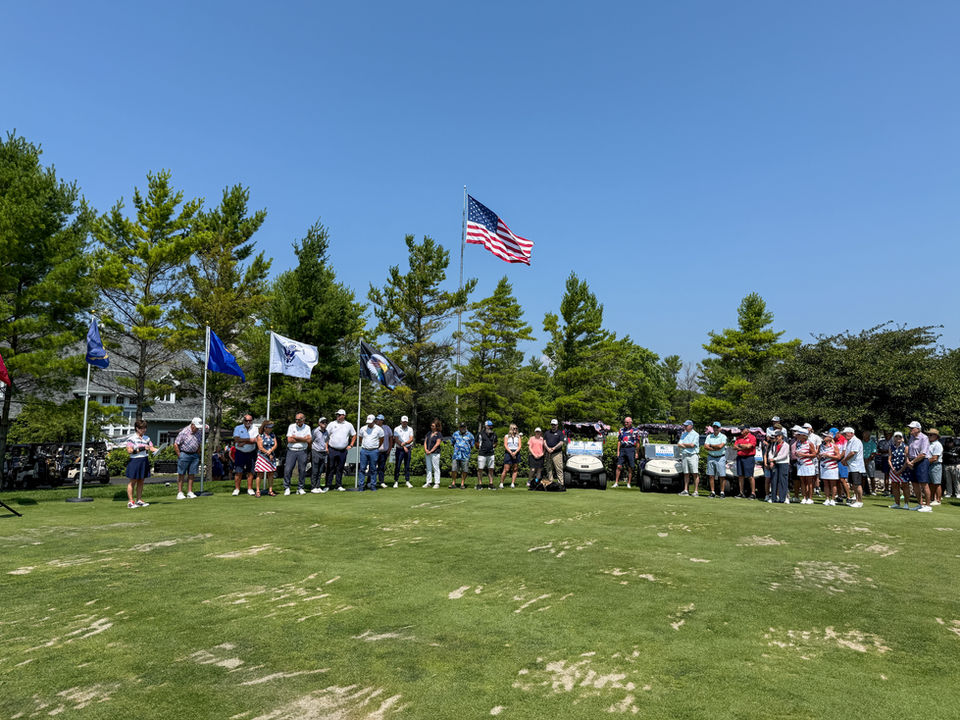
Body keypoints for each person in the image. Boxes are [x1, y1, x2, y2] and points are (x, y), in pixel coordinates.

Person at [125, 419, 155, 508]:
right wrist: (141, 448)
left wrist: (158, 450)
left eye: (145, 428)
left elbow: (151, 447)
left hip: (144, 460)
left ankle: (139, 500)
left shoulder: (147, 438)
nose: (144, 430)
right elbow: (129, 451)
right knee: (133, 481)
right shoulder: (131, 439)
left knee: (141, 481)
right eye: (142, 428)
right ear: (137, 428)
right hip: (135, 461)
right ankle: (130, 502)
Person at [325, 409, 356, 492]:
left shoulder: (349, 425)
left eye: (339, 415)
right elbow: (326, 436)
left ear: (344, 415)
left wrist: (351, 445)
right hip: (332, 449)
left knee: (340, 468)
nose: (338, 416)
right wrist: (326, 447)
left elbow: (354, 435)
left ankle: (338, 485)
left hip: (343, 450)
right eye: (337, 415)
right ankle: (328, 485)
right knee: (330, 467)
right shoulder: (332, 424)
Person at [905, 421, 932, 512]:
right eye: (910, 428)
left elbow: (923, 454)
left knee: (924, 483)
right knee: (914, 483)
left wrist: (912, 462)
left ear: (918, 429)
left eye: (912, 428)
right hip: (912, 461)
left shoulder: (924, 438)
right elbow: (909, 450)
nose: (910, 430)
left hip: (922, 461)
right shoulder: (911, 437)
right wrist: (908, 460)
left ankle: (928, 505)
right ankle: (920, 504)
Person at [173, 417, 203, 500]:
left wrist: (198, 453)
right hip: (184, 454)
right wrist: (179, 455)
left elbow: (199, 443)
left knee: (192, 474)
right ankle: (180, 492)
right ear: (192, 425)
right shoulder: (184, 432)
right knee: (181, 473)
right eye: (196, 427)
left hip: (194, 455)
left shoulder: (199, 432)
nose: (197, 429)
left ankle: (190, 491)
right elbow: (176, 444)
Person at [283, 412, 311, 495]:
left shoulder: (307, 427)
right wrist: (303, 439)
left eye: (299, 419)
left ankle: (300, 488)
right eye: (296, 419)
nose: (297, 421)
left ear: (303, 419)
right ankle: (287, 487)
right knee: (288, 469)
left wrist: (295, 437)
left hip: (303, 450)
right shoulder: (291, 426)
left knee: (302, 470)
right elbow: (289, 440)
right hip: (291, 450)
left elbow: (309, 440)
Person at [232, 414, 258, 496]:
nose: (248, 422)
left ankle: (250, 489)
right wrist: (249, 440)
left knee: (250, 471)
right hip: (240, 452)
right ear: (243, 421)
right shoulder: (238, 428)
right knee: (238, 471)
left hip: (251, 452)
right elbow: (236, 439)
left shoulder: (255, 428)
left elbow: (255, 440)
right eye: (246, 420)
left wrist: (243, 441)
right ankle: (237, 489)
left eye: (250, 420)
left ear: (252, 421)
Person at [357, 414, 384, 491]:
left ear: (374, 421)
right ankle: (361, 486)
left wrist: (376, 447)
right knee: (362, 468)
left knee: (373, 469)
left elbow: (382, 439)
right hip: (364, 450)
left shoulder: (379, 429)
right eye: (368, 422)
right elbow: (360, 438)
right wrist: (365, 444)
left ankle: (373, 485)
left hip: (374, 451)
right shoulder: (363, 428)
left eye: (370, 422)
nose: (369, 424)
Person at [840, 426, 866, 508]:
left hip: (856, 466)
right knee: (853, 484)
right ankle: (856, 500)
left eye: (845, 433)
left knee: (857, 484)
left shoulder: (856, 441)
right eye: (843, 434)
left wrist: (844, 460)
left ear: (851, 433)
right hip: (851, 466)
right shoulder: (849, 441)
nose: (844, 435)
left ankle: (860, 501)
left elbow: (852, 452)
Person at [613, 416, 640, 488]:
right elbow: (619, 441)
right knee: (619, 466)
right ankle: (616, 482)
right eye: (625, 422)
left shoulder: (635, 430)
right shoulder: (621, 430)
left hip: (631, 449)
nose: (626, 423)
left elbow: (637, 443)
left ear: (631, 422)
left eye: (627, 422)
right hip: (623, 449)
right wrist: (618, 451)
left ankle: (629, 483)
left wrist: (637, 453)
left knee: (630, 467)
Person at [794, 427, 817, 504]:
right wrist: (797, 454)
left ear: (804, 435)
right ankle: (804, 497)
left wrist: (803, 454)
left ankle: (810, 498)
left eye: (799, 435)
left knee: (809, 482)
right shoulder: (798, 443)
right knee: (802, 482)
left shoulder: (809, 443)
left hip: (808, 465)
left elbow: (814, 454)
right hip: (800, 465)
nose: (797, 436)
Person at [254, 420, 278, 496]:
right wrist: (268, 453)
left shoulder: (273, 435)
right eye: (269, 427)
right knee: (260, 474)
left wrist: (271, 451)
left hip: (271, 456)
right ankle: (257, 491)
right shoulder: (260, 436)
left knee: (271, 473)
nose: (271, 429)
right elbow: (260, 447)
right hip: (262, 457)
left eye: (271, 428)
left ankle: (270, 490)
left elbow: (275, 445)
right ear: (265, 428)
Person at [703, 422, 727, 498]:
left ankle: (722, 492)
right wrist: (714, 448)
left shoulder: (723, 436)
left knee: (722, 476)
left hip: (720, 458)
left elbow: (720, 446)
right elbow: (705, 447)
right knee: (711, 475)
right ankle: (712, 492)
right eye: (714, 427)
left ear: (720, 428)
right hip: (711, 457)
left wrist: (711, 446)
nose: (715, 429)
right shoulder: (709, 436)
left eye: (717, 427)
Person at [677, 420, 700, 497]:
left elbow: (692, 445)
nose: (685, 427)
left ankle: (696, 491)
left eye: (686, 425)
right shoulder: (684, 434)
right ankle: (686, 490)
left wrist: (684, 445)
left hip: (693, 455)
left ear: (691, 426)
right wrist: (686, 445)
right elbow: (679, 444)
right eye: (684, 425)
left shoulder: (696, 434)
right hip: (685, 455)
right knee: (686, 473)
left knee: (695, 473)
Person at [767, 430, 791, 503]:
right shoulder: (774, 444)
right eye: (775, 436)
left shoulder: (786, 445)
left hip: (783, 463)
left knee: (783, 481)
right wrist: (771, 461)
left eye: (777, 436)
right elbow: (770, 452)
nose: (776, 438)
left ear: (781, 436)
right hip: (775, 463)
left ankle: (783, 498)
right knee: (774, 480)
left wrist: (773, 459)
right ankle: (773, 498)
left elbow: (784, 455)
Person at [888, 431, 910, 509]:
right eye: (896, 436)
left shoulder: (905, 447)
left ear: (902, 438)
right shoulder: (891, 447)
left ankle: (906, 504)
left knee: (905, 485)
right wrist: (893, 469)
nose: (898, 438)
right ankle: (897, 503)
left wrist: (900, 470)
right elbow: (889, 459)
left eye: (899, 437)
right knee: (895, 485)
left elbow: (906, 460)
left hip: (903, 469)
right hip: (894, 469)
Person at [818, 433, 841, 506]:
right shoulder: (821, 446)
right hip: (824, 467)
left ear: (830, 438)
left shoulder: (834, 446)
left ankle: (833, 499)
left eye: (825, 436)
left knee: (833, 484)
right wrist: (820, 456)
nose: (823, 437)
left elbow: (838, 457)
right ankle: (827, 498)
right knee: (825, 483)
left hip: (832, 467)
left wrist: (829, 456)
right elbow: (818, 455)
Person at [734, 427, 757, 499]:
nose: (741, 431)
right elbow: (734, 447)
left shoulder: (752, 437)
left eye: (742, 429)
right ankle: (741, 493)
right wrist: (744, 446)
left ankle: (753, 493)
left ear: (747, 430)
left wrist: (740, 446)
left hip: (748, 458)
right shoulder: (739, 437)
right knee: (740, 476)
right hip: (740, 457)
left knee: (750, 476)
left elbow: (749, 446)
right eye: (741, 429)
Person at [450, 421, 475, 488]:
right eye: (461, 427)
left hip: (465, 455)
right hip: (456, 454)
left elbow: (472, 445)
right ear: (459, 427)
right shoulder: (455, 434)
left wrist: (466, 450)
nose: (462, 428)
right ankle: (453, 483)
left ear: (466, 427)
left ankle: (462, 483)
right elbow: (452, 443)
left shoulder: (470, 435)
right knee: (454, 469)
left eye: (464, 427)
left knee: (465, 470)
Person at [392, 415, 414, 487]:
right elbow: (396, 439)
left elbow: (411, 439)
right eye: (403, 421)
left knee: (407, 466)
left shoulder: (410, 429)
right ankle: (396, 481)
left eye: (406, 422)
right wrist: (404, 446)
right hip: (399, 449)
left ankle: (407, 481)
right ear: (401, 421)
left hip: (408, 449)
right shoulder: (397, 429)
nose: (404, 423)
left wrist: (406, 444)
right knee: (397, 465)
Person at [309, 417, 329, 494]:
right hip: (316, 451)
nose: (324, 424)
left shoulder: (326, 432)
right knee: (315, 470)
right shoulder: (315, 431)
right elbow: (310, 441)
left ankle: (318, 486)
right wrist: (312, 450)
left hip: (323, 452)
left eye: (326, 422)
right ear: (319, 423)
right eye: (323, 422)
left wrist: (326, 449)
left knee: (320, 470)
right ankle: (313, 487)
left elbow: (326, 441)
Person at [476, 421, 498, 490]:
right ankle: (480, 484)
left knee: (491, 469)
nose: (490, 427)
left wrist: (492, 446)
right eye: (489, 426)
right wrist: (480, 448)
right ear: (485, 426)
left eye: (491, 426)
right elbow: (476, 443)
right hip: (482, 454)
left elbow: (496, 442)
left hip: (491, 454)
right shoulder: (480, 434)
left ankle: (490, 484)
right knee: (480, 469)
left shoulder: (494, 434)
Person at [543, 420, 565, 485]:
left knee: (559, 469)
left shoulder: (560, 433)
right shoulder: (547, 433)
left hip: (557, 453)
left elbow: (561, 443)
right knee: (549, 469)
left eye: (554, 425)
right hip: (548, 453)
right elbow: (544, 442)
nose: (553, 426)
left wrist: (554, 448)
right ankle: (550, 483)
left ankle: (561, 484)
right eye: (552, 425)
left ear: (557, 425)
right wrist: (548, 448)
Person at [501, 424, 523, 488]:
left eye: (516, 428)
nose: (515, 430)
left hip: (516, 452)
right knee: (506, 469)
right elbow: (505, 445)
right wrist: (511, 453)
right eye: (514, 428)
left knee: (515, 469)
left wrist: (515, 452)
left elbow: (519, 446)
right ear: (511, 429)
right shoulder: (507, 436)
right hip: (508, 452)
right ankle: (501, 483)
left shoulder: (518, 436)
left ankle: (512, 483)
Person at [423, 419, 443, 488]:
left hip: (435, 453)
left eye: (433, 426)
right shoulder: (429, 433)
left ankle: (437, 483)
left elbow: (437, 444)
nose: (432, 427)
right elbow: (425, 442)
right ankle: (428, 482)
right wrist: (426, 450)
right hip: (427, 453)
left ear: (436, 426)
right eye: (431, 426)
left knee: (436, 467)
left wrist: (431, 451)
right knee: (428, 467)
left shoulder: (439, 434)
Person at [927, 428, 944, 506]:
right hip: (930, 465)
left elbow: (935, 458)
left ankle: (938, 500)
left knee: (936, 483)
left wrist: (924, 463)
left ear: (936, 436)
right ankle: (931, 498)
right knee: (931, 483)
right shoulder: (930, 444)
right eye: (928, 434)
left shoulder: (937, 445)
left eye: (931, 435)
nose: (929, 436)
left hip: (935, 465)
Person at [375, 415, 393, 488]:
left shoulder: (387, 428)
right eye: (377, 419)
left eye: (379, 420)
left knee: (381, 467)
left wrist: (389, 449)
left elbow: (391, 438)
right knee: (372, 467)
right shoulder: (374, 427)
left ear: (382, 420)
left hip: (384, 451)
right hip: (375, 451)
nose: (378, 421)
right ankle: (370, 482)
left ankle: (381, 482)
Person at [943, 435, 960, 499]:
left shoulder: (957, 448)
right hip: (947, 465)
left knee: (956, 480)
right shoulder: (945, 449)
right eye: (947, 442)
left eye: (950, 442)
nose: (948, 444)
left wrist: (953, 455)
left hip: (955, 465)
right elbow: (944, 454)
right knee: (948, 480)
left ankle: (958, 493)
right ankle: (949, 492)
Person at [862, 430, 878, 496]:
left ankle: (873, 490)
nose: (864, 437)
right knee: (863, 476)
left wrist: (867, 460)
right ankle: (862, 490)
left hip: (870, 461)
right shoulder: (861, 442)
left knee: (872, 476)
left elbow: (873, 453)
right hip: (862, 461)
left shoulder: (872, 443)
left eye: (865, 436)